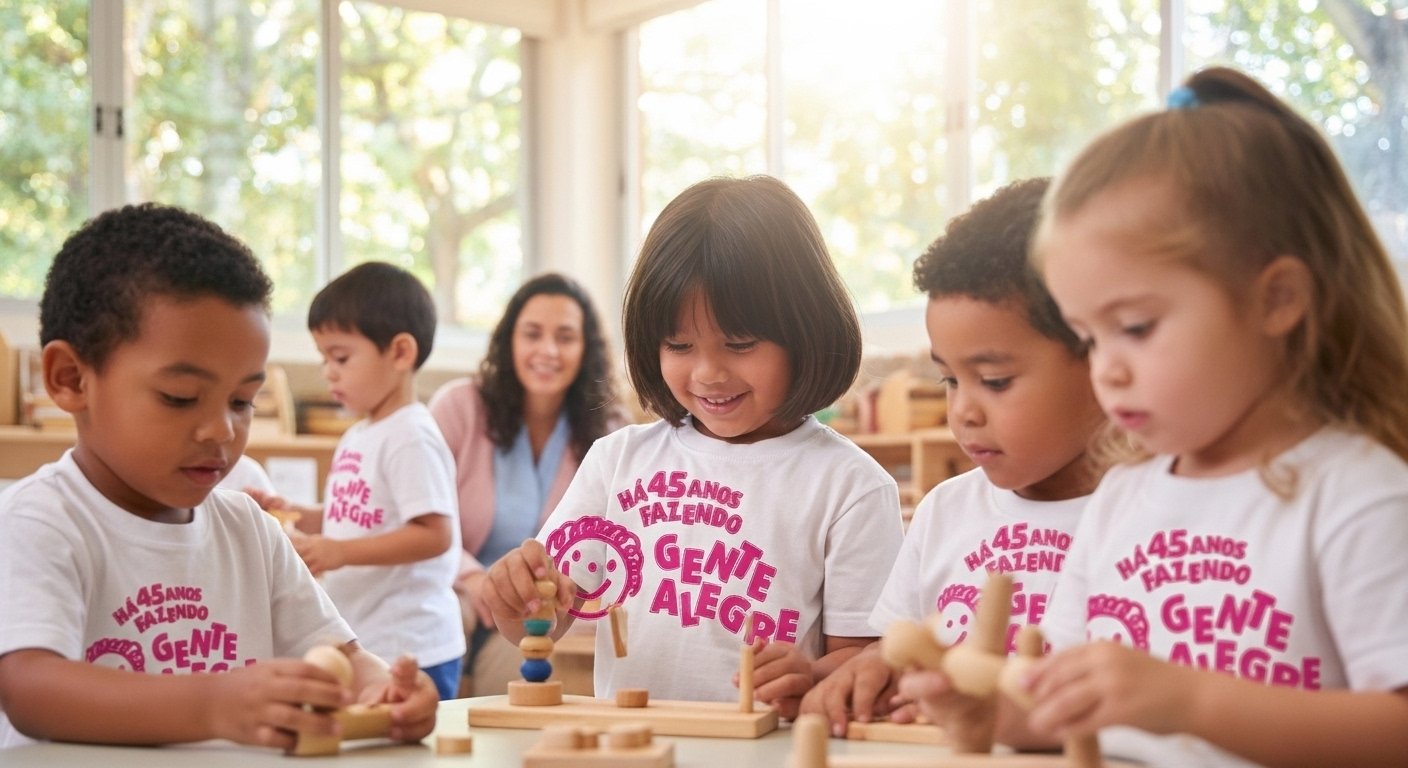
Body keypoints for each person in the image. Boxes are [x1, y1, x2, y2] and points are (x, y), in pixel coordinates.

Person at [1003, 67, 1408, 767]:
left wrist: (1192, 702)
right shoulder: (1121, 498)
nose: (1106, 369)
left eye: (1135, 327)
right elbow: (1065, 711)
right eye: (1089, 337)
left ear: (1276, 300)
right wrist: (991, 711)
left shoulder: (1359, 494)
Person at [0, 204, 438, 749]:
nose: (221, 430)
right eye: (180, 397)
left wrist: (385, 692)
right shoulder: (41, 519)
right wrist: (214, 704)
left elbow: (343, 658)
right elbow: (29, 689)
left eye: (242, 400)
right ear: (71, 379)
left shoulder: (250, 530)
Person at [484, 175, 905, 717]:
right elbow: (543, 618)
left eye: (740, 343)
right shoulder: (617, 462)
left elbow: (864, 664)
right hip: (632, 747)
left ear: (806, 332)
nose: (708, 373)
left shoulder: (852, 487)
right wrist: (516, 596)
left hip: (767, 750)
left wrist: (813, 678)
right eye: (679, 344)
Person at [800, 178, 1108, 742]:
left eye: (995, 380)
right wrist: (869, 672)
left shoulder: (1149, 517)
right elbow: (899, 654)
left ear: (1103, 359)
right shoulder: (945, 511)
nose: (963, 410)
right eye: (949, 379)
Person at [429, 272, 623, 698]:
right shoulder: (458, 407)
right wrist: (474, 579)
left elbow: (599, 555)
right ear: (509, 341)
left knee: (524, 671)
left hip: (538, 607)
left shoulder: (609, 433)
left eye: (565, 337)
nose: (548, 350)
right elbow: (422, 518)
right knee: (436, 619)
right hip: (457, 587)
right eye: (532, 334)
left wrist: (536, 597)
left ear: (585, 349)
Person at [282, 261, 466, 701]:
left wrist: (338, 552)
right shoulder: (361, 434)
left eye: (341, 357)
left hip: (414, 646)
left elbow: (434, 534)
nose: (328, 371)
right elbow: (359, 516)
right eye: (324, 358)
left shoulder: (411, 435)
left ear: (400, 353)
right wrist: (300, 517)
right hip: (369, 639)